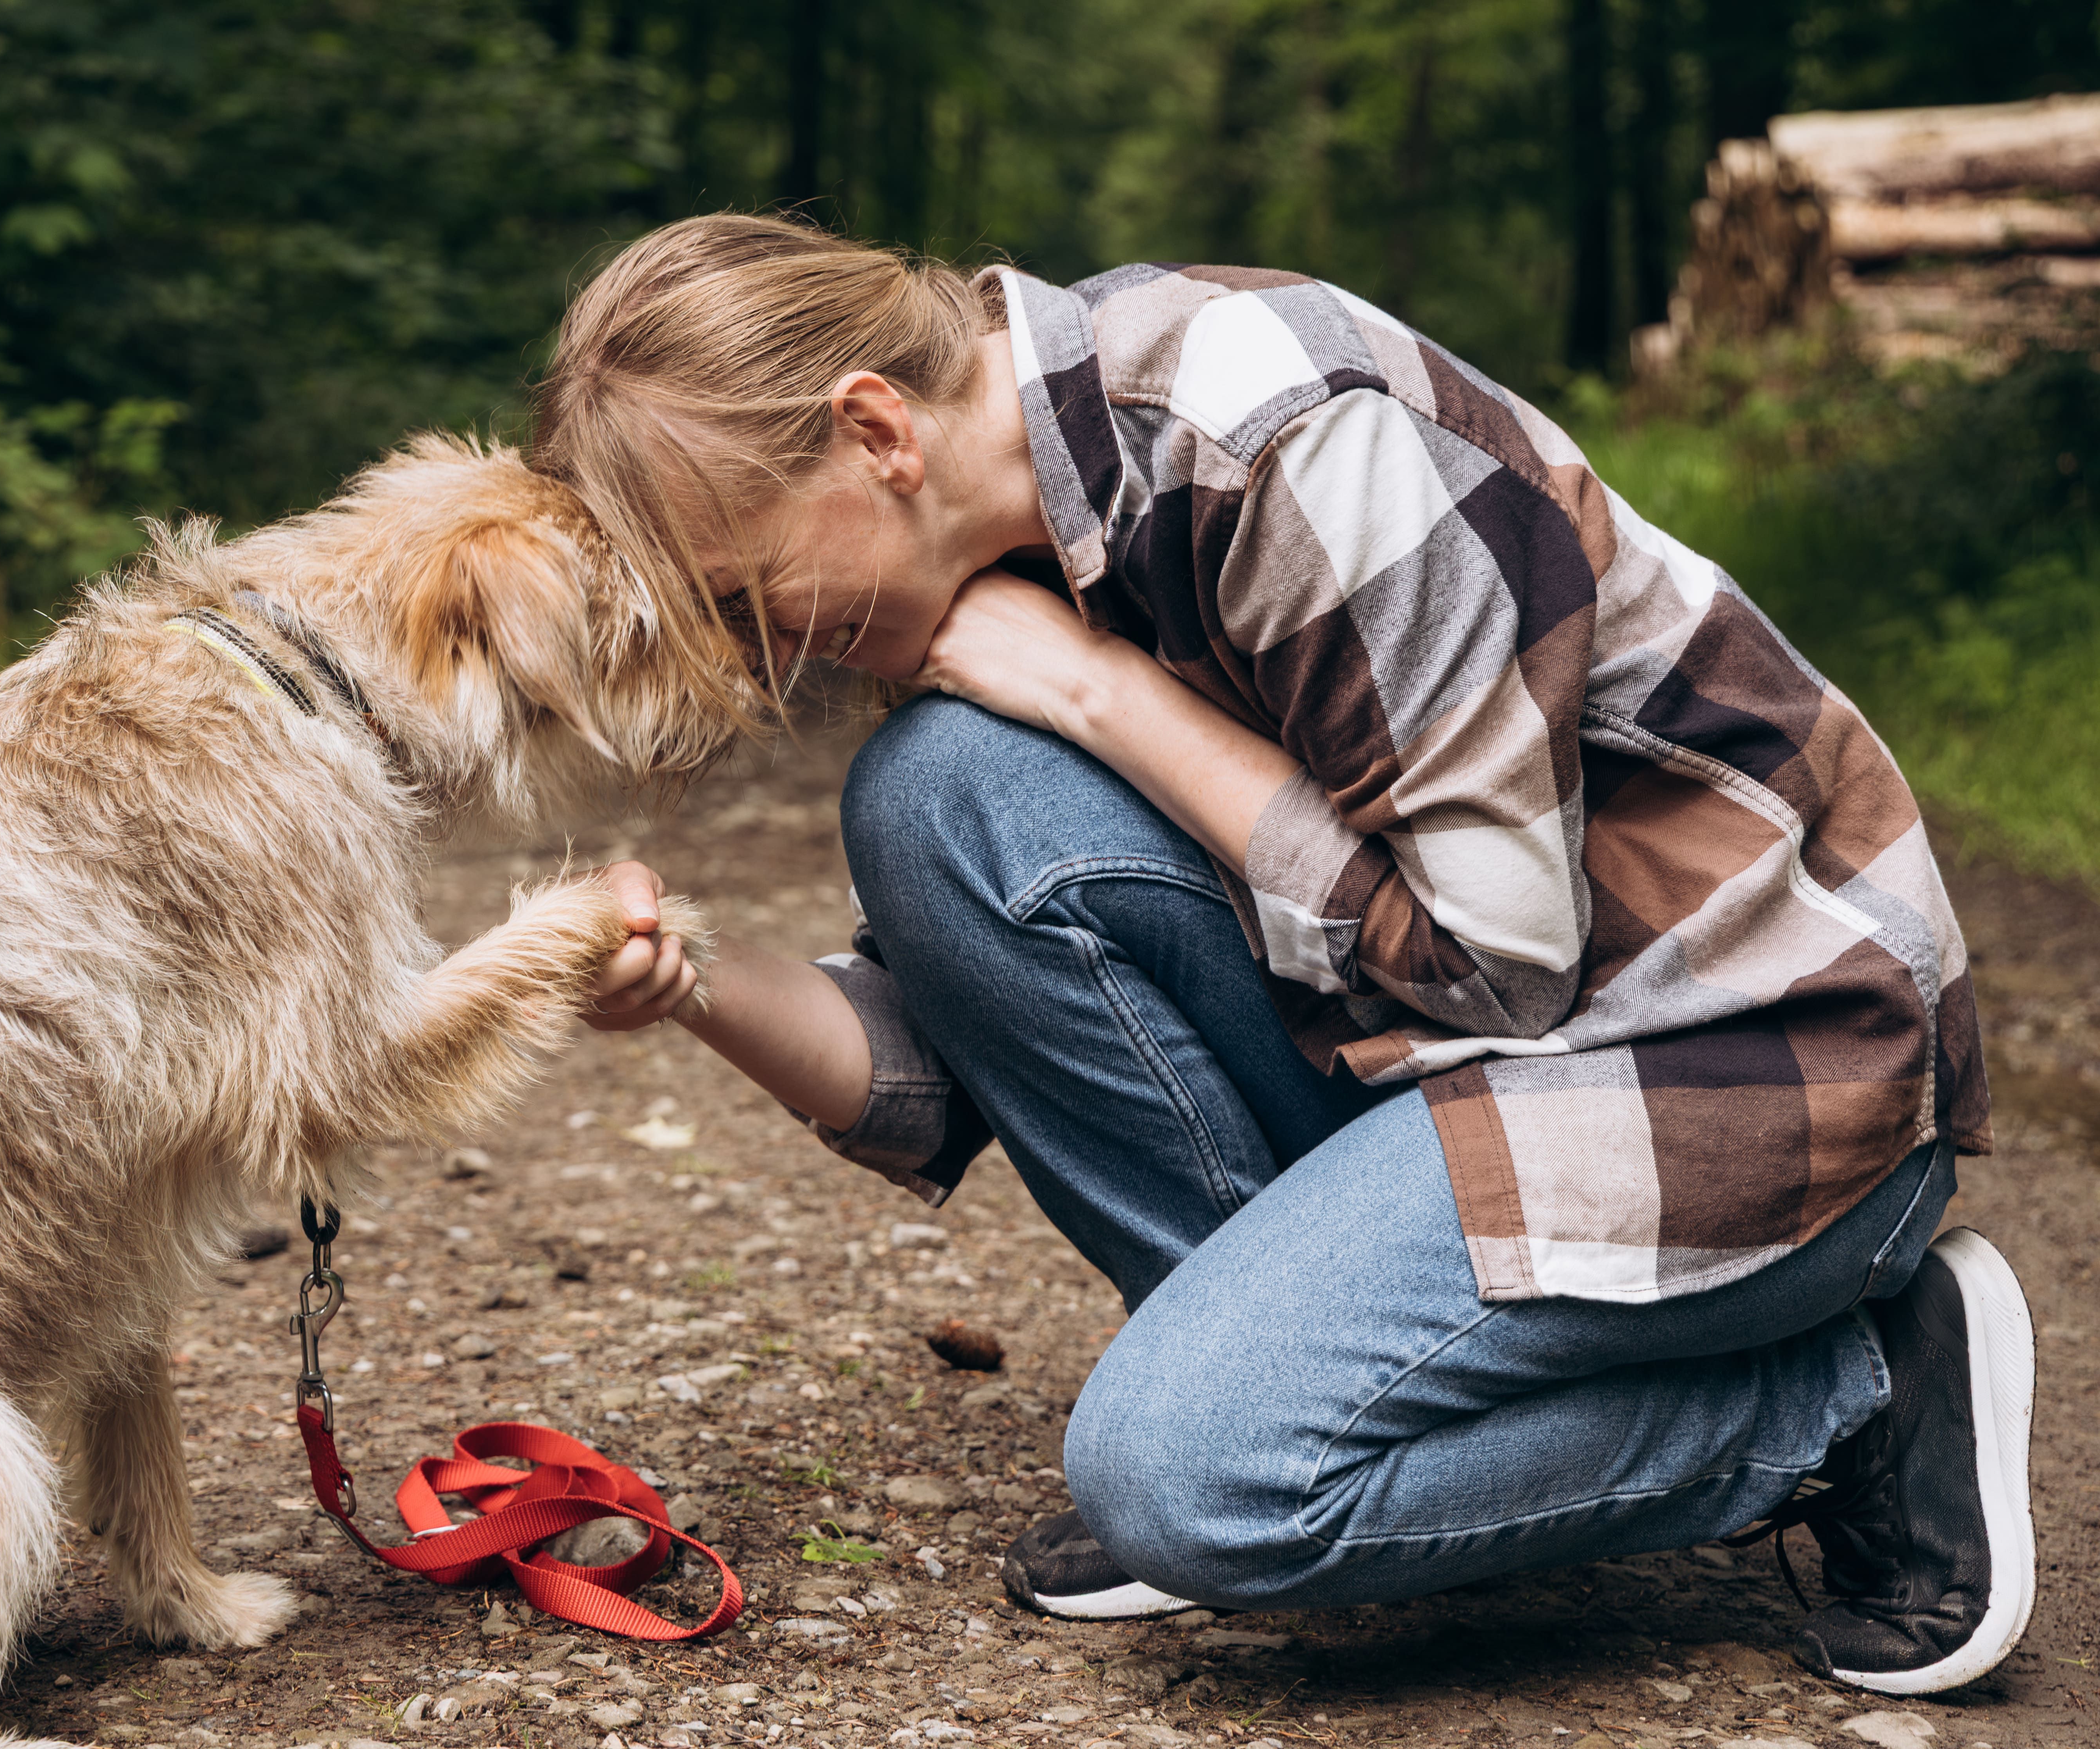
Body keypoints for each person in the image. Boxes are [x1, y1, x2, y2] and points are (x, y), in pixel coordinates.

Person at [539, 214, 2035, 1696]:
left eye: (744, 596)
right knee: (935, 794)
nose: (760, 653)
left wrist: (1098, 692)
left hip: (1749, 1067)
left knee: (1189, 1490)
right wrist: (692, 979)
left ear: (875, 432)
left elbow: (1496, 964)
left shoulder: (1288, 440)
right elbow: (944, 1063)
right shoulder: (1029, 521)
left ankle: (1861, 1401)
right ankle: (1289, 1400)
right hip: (1492, 1064)